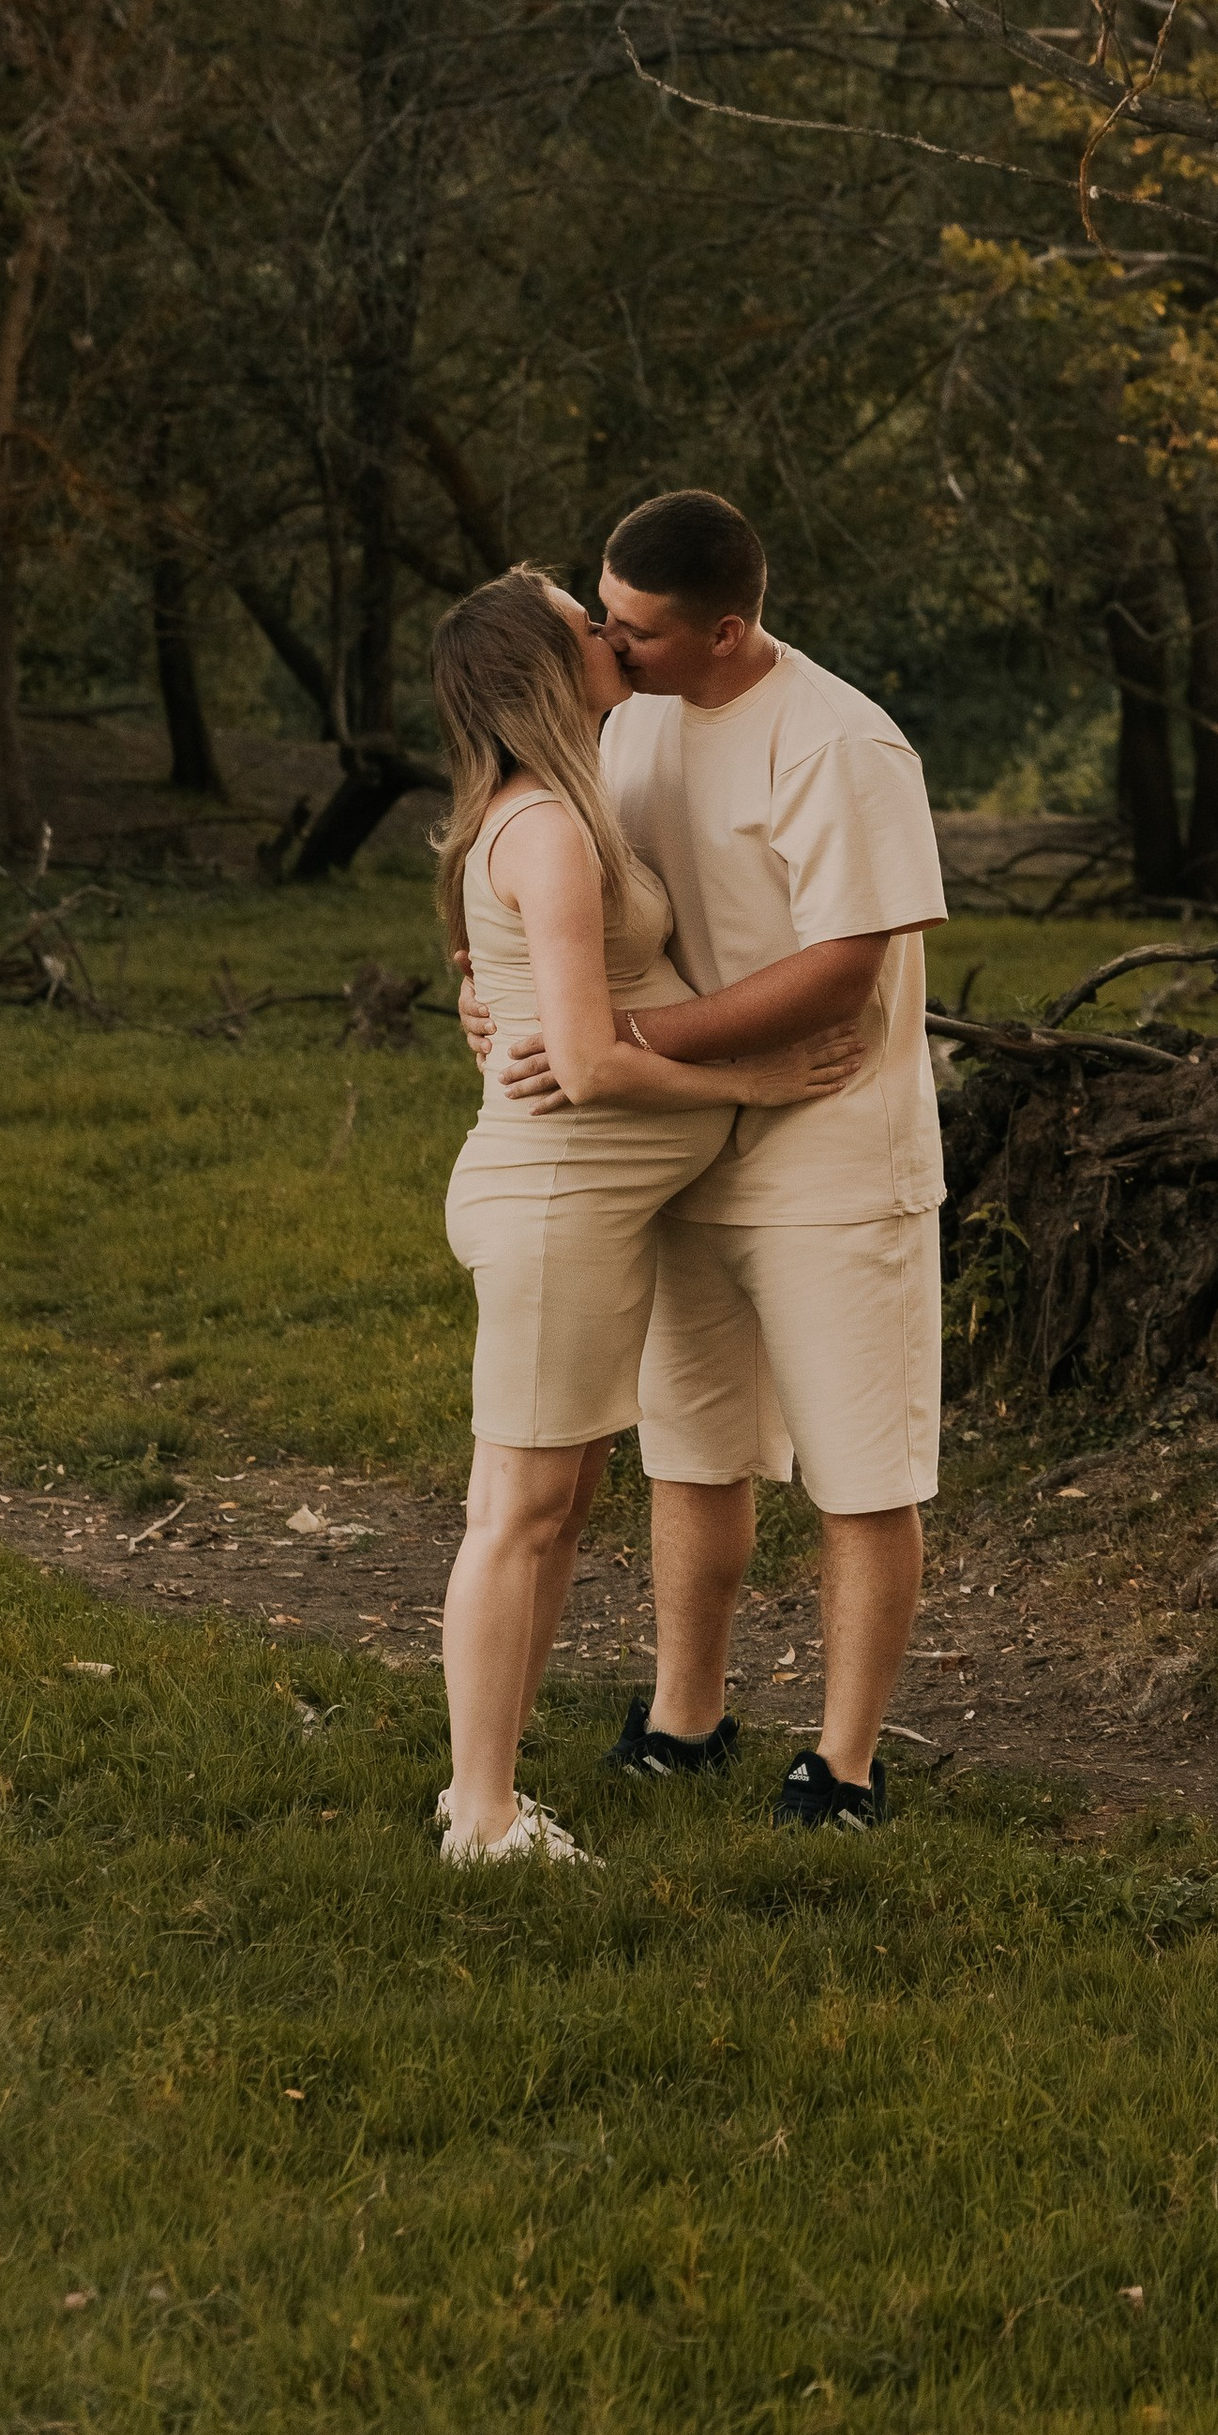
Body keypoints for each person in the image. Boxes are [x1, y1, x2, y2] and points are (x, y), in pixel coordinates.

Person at [468, 490, 948, 1834]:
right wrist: (504, 1005)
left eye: (632, 631)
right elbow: (562, 908)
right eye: (599, 620)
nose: (607, 651)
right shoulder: (627, 729)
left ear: (726, 629)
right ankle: (686, 1721)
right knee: (694, 1450)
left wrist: (617, 1039)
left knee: (862, 1473)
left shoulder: (843, 743)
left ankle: (844, 1768)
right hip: (675, 1151)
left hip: (834, 1150)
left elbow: (847, 966)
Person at [430, 566, 854, 1865]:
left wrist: (494, 1013)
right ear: (542, 672)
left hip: (580, 1207)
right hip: (558, 1206)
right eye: (581, 625)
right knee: (519, 1509)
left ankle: (484, 1795)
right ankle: (484, 1814)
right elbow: (598, 1063)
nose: (607, 635)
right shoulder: (549, 830)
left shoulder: (555, 809)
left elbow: (506, 991)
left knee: (551, 1505)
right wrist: (758, 1078)